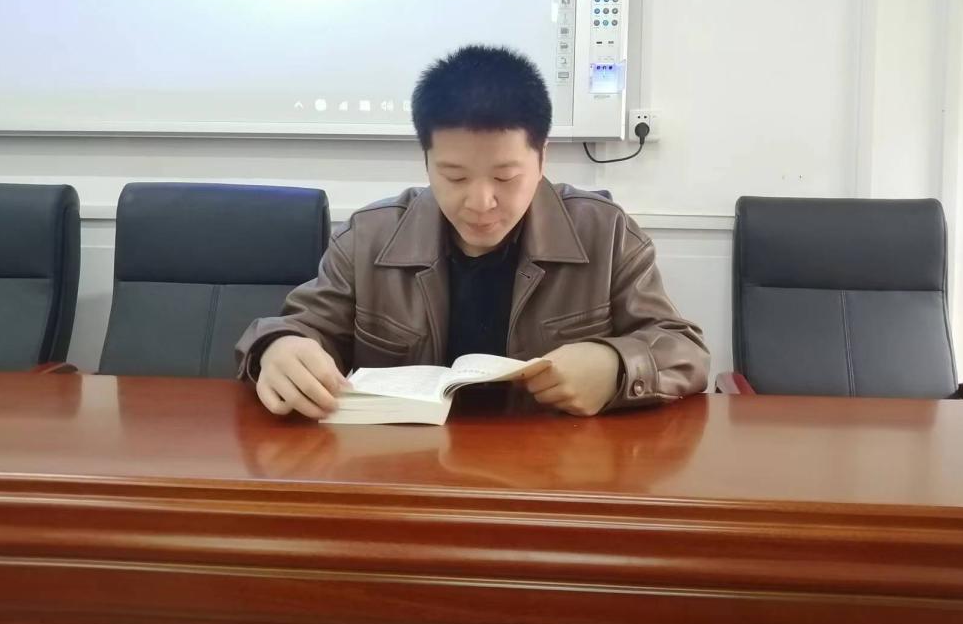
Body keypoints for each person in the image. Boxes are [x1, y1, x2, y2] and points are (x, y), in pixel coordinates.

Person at [236, 45, 709, 419]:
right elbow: (303, 327)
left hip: (552, 470)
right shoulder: (368, 238)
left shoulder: (605, 234)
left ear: (542, 157)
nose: (481, 202)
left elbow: (685, 351)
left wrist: (616, 365)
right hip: (404, 469)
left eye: (506, 177)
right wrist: (279, 348)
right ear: (426, 161)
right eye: (455, 176)